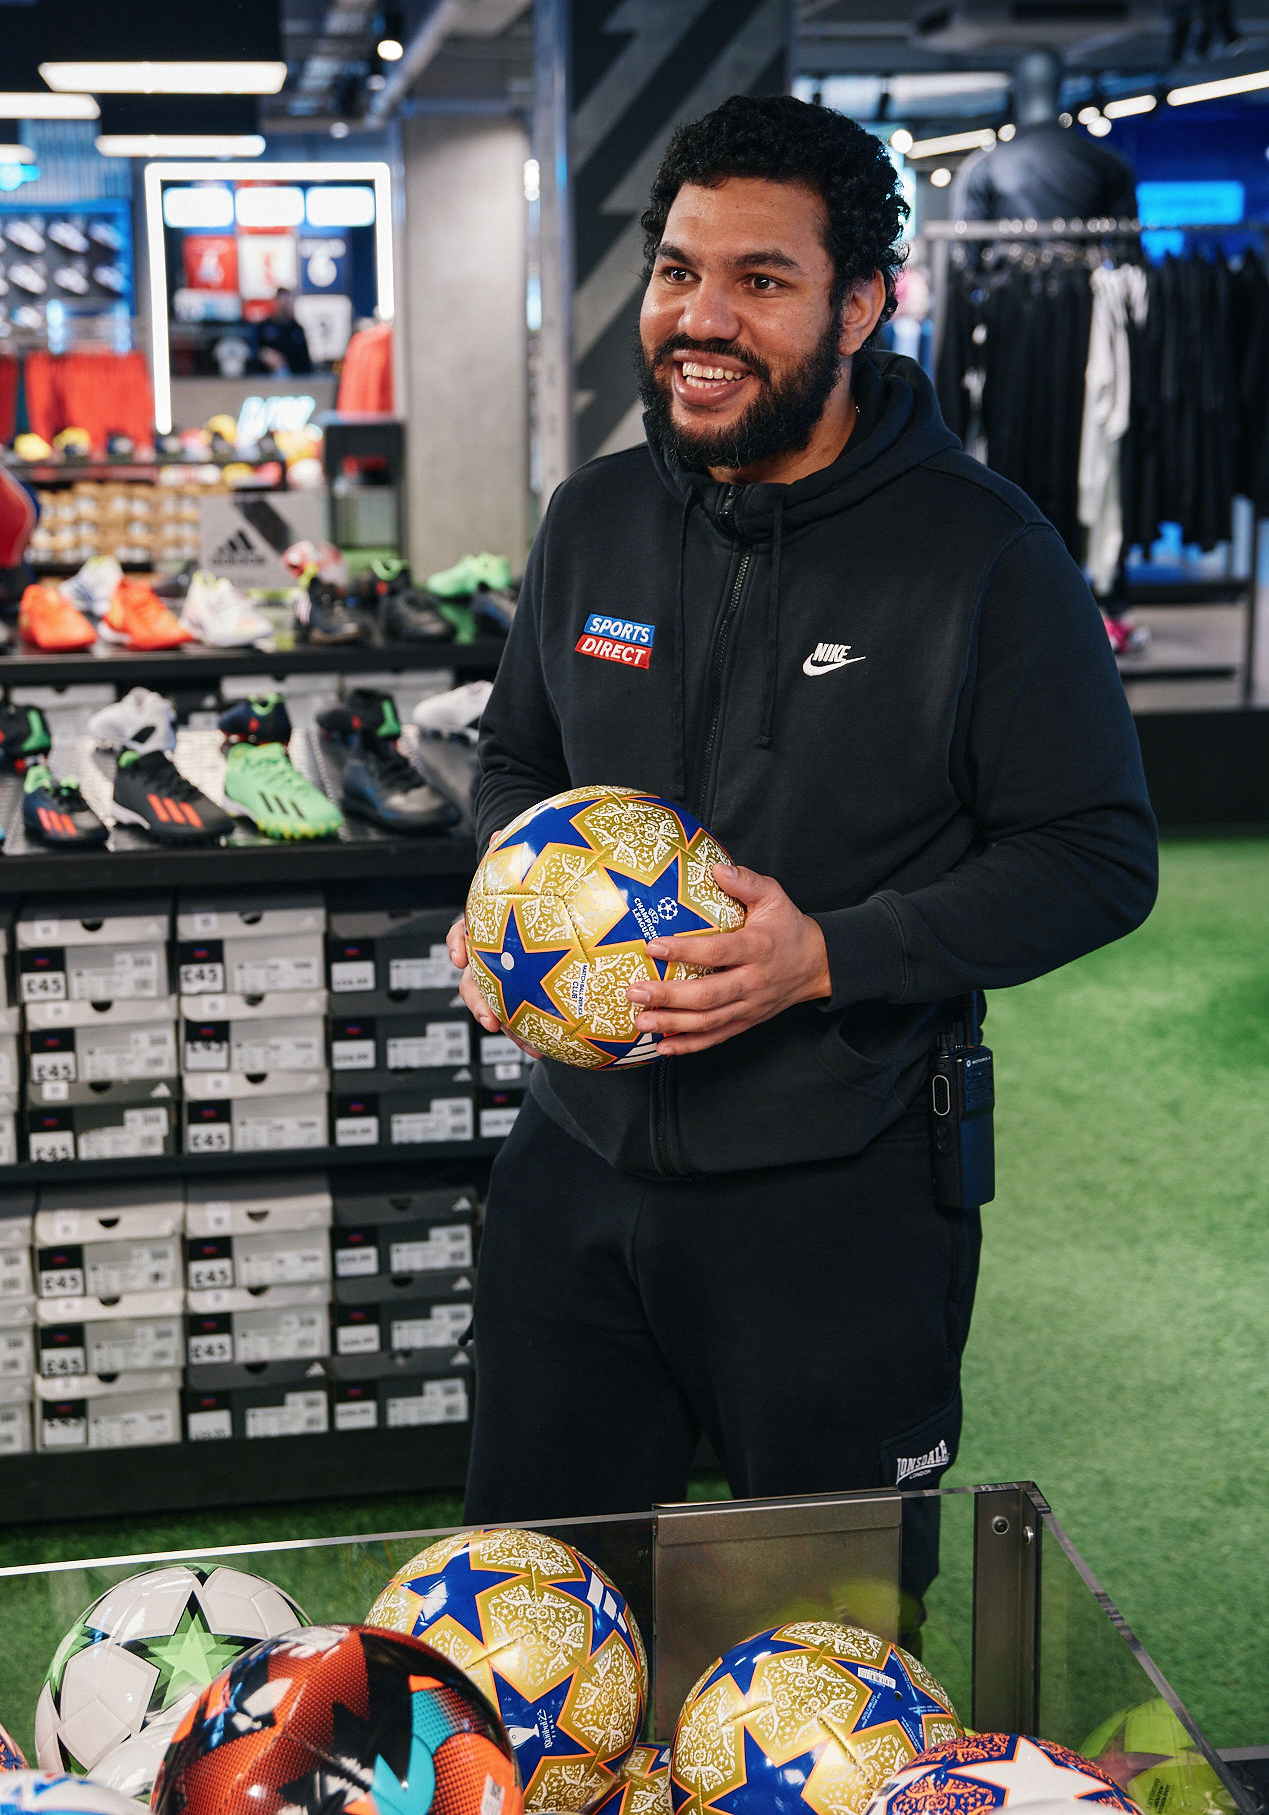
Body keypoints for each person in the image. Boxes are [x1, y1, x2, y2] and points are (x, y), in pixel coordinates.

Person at [449, 94, 1158, 1585]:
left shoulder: (984, 555)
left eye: (760, 282)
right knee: (530, 1621)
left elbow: (1096, 853)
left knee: (814, 1657)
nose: (702, 319)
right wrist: (499, 896)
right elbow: (517, 754)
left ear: (861, 307)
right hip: (570, 1169)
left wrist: (829, 956)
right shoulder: (593, 518)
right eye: (679, 271)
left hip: (838, 1195)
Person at [254, 289, 313, 376]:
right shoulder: (263, 327)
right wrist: (263, 354)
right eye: (282, 302)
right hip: (266, 381)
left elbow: (306, 363)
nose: (284, 306)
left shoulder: (297, 329)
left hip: (295, 381)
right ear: (275, 302)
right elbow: (252, 352)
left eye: (287, 302)